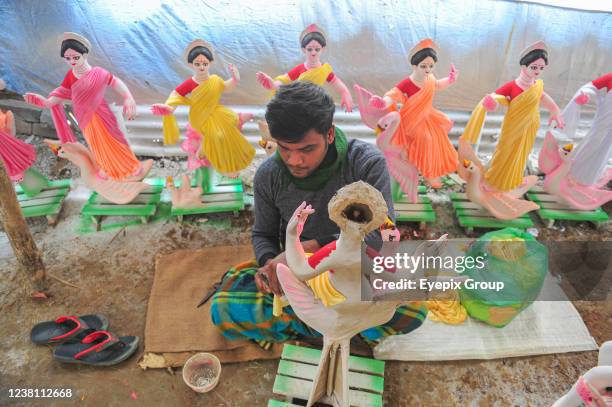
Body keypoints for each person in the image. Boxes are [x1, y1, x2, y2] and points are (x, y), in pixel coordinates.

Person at [210, 81, 427, 348]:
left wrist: (305, 250)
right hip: (298, 280)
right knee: (222, 307)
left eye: (306, 149)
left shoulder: (365, 165)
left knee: (414, 308)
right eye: (284, 148)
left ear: (330, 134)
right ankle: (346, 328)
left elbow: (380, 236)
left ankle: (314, 326)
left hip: (355, 273)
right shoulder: (269, 175)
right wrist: (272, 267)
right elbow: (263, 234)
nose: (294, 161)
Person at [24, 32, 151, 182]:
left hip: (102, 114)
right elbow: (57, 97)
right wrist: (44, 102)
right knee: (96, 144)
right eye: (68, 58)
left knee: (115, 140)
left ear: (85, 55)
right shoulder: (70, 77)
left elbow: (116, 82)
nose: (72, 61)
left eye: (75, 57)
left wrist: (128, 97)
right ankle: (107, 168)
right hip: (85, 118)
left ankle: (131, 166)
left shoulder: (98, 73)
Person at [461, 40, 564, 192]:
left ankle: (513, 180)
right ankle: (492, 180)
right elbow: (496, 99)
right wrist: (491, 104)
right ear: (524, 66)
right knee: (504, 152)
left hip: (530, 127)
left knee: (521, 154)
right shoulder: (512, 86)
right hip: (512, 127)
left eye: (541, 68)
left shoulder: (536, 86)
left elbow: (543, 97)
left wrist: (555, 110)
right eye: (534, 67)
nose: (537, 71)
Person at [151, 39, 255, 188]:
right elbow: (175, 96)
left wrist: (235, 78)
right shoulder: (189, 83)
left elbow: (227, 87)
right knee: (216, 135)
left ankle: (213, 144)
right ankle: (222, 166)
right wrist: (168, 108)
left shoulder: (215, 79)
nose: (201, 67)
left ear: (210, 64)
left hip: (215, 111)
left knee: (231, 119)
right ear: (191, 65)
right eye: (197, 64)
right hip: (199, 117)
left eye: (204, 64)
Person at [255, 24, 353, 112]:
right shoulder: (300, 69)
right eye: (309, 49)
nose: (313, 52)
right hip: (300, 105)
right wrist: (272, 84)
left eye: (317, 49)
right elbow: (284, 80)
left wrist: (346, 93)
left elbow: (337, 83)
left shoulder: (325, 70)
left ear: (322, 49)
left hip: (317, 105)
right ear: (303, 49)